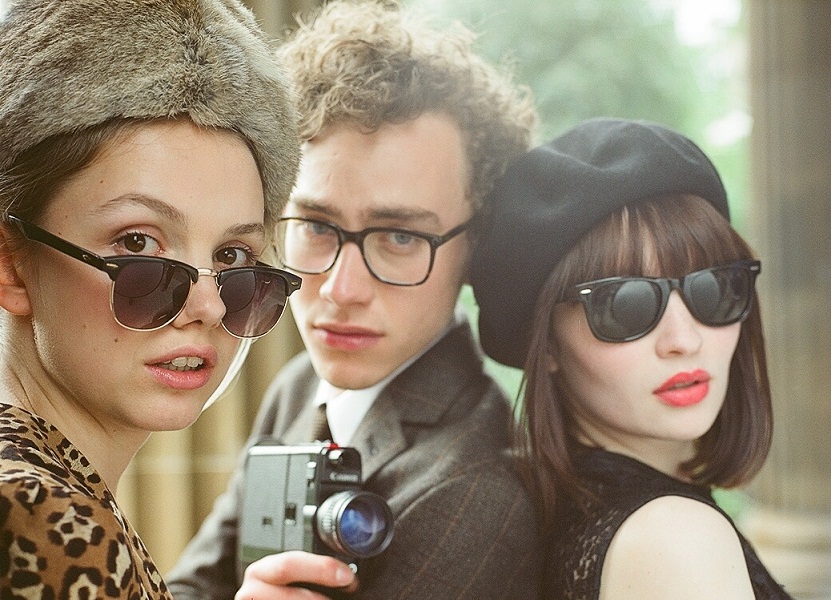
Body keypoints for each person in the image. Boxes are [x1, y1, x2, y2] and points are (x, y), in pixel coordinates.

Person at [166, 1, 540, 599]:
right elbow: (188, 585)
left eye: (401, 238)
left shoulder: (479, 486)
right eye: (317, 226)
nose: (342, 290)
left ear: (479, 248)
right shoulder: (299, 388)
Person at [0, 0, 301, 596]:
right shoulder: (42, 518)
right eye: (138, 242)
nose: (210, 307)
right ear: (11, 264)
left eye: (233, 256)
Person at [471, 117, 794, 599]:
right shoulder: (676, 540)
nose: (684, 339)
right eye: (627, 305)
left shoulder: (578, 518)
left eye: (712, 289)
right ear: (548, 343)